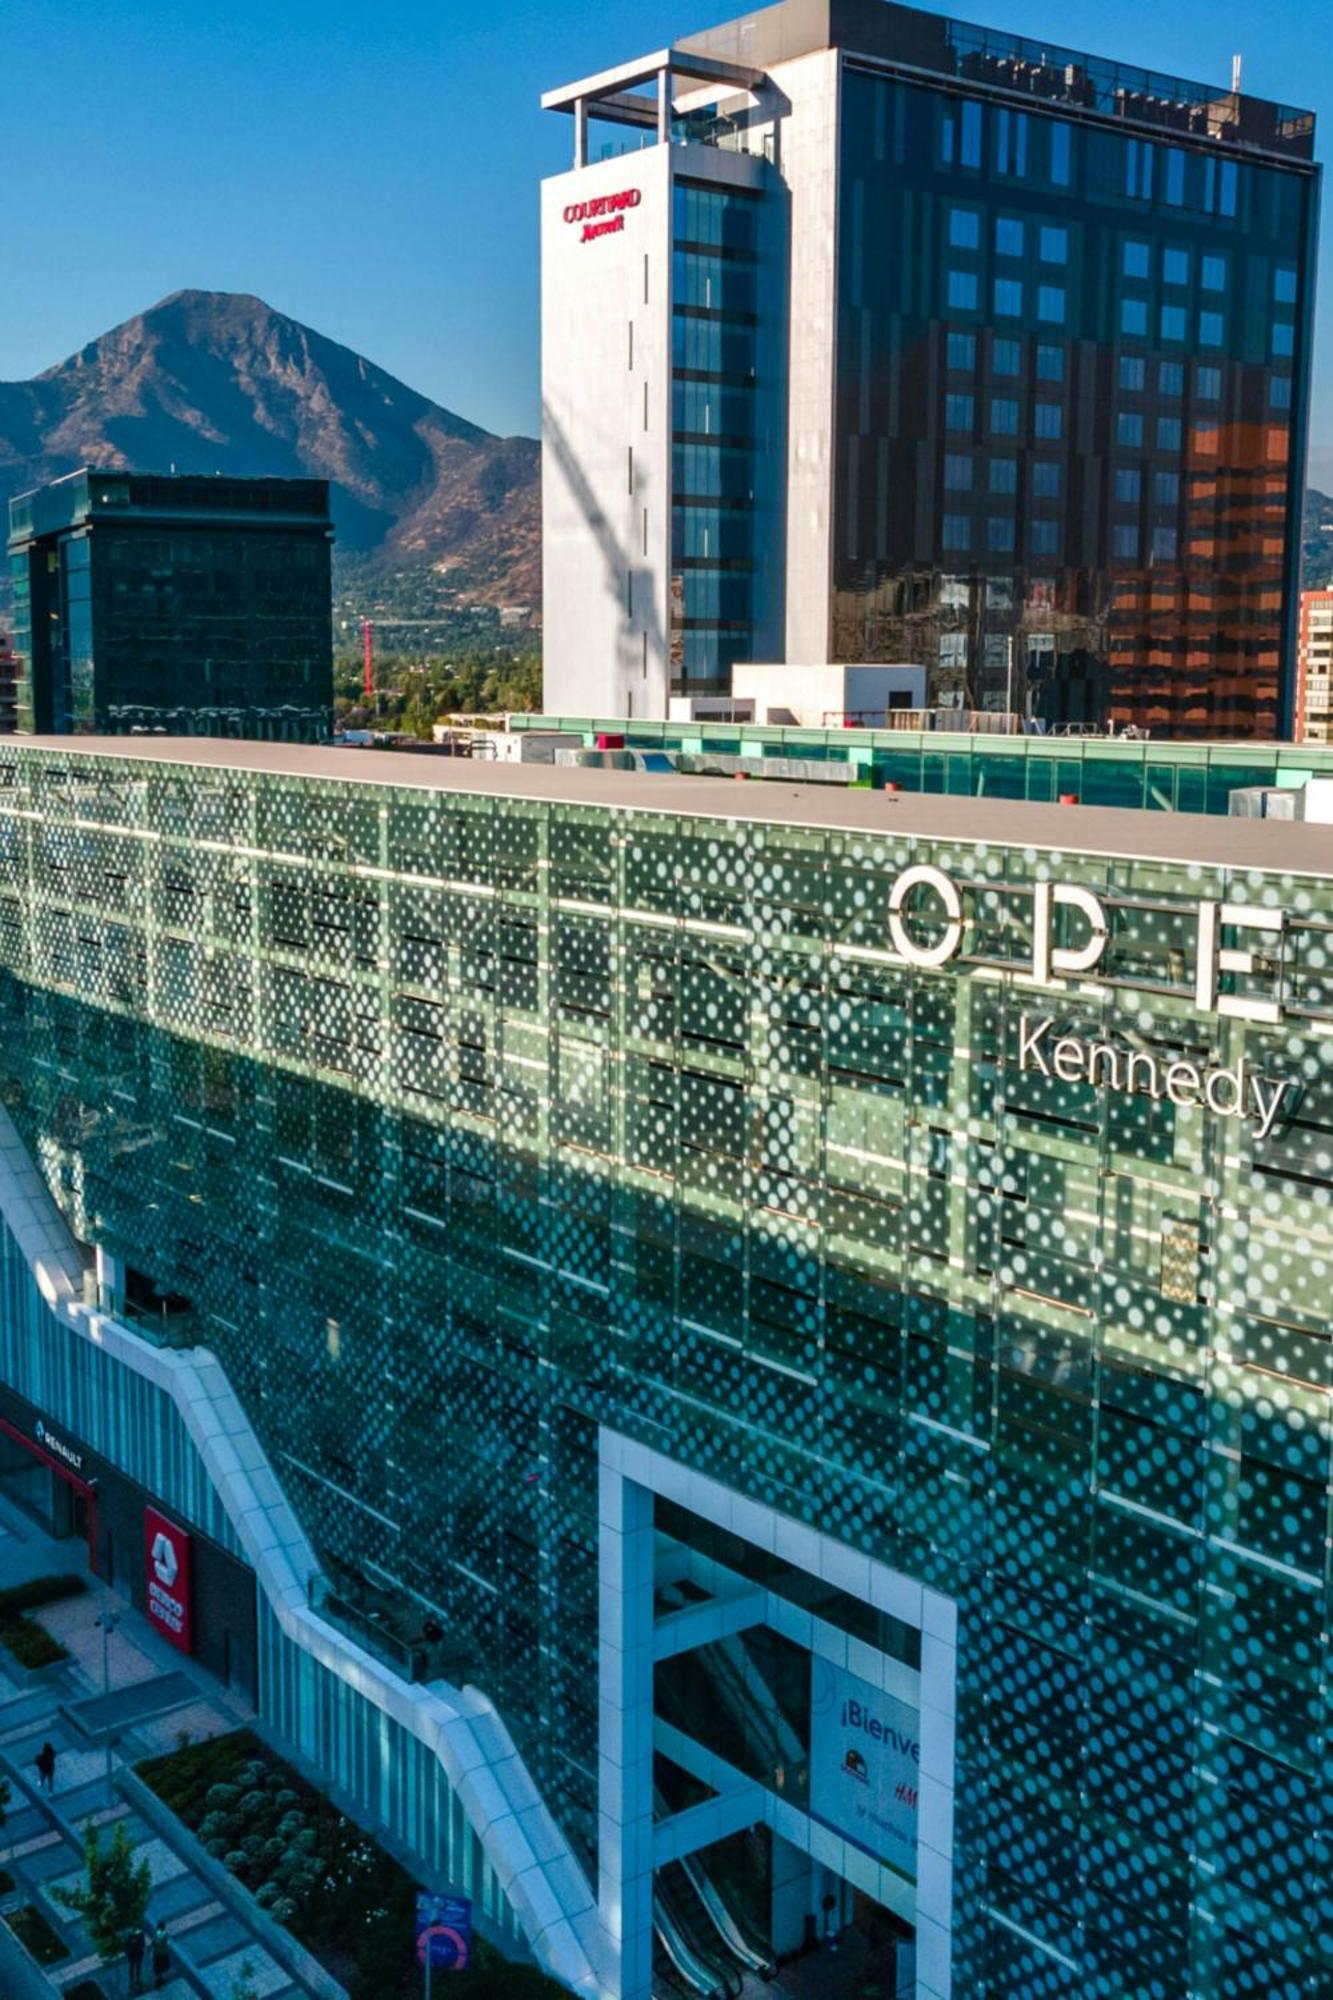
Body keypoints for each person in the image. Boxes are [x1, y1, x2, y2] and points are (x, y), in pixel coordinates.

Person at [125, 1926, 146, 1993]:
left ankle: (137, 1981)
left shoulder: (141, 1934)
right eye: (137, 1931)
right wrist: (128, 1953)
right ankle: (132, 1982)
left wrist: (143, 1948)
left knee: (138, 1968)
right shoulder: (130, 1937)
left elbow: (143, 1942)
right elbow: (126, 1946)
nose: (139, 1932)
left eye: (139, 1930)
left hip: (139, 1954)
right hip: (132, 1956)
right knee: (132, 1968)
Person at [150, 1921, 171, 1990]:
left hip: (157, 1954)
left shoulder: (156, 1935)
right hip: (164, 1954)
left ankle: (159, 1981)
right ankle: (160, 1981)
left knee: (158, 1968)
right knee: (162, 1967)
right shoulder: (165, 1935)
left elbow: (153, 1944)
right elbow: (168, 1944)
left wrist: (152, 1952)